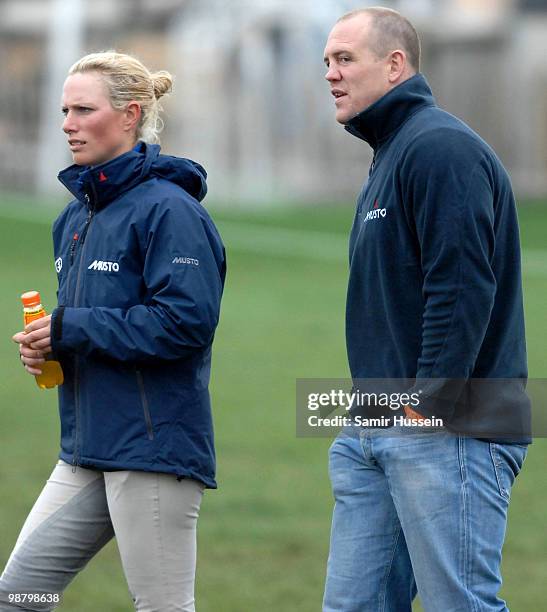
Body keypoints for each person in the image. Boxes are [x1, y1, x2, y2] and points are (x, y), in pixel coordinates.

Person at [322, 7, 530, 612]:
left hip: (450, 427)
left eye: (345, 59)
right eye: (327, 62)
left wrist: (426, 405)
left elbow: (462, 287)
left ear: (395, 65)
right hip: (377, 424)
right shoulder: (392, 152)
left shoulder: (438, 147)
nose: (331, 75)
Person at [2, 51, 226, 612]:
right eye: (64, 110)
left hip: (151, 450)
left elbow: (184, 324)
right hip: (86, 448)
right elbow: (89, 329)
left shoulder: (171, 212)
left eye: (83, 109)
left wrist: (70, 328)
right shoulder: (75, 217)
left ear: (130, 115)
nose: (66, 124)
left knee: (163, 608)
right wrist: (51, 344)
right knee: (19, 594)